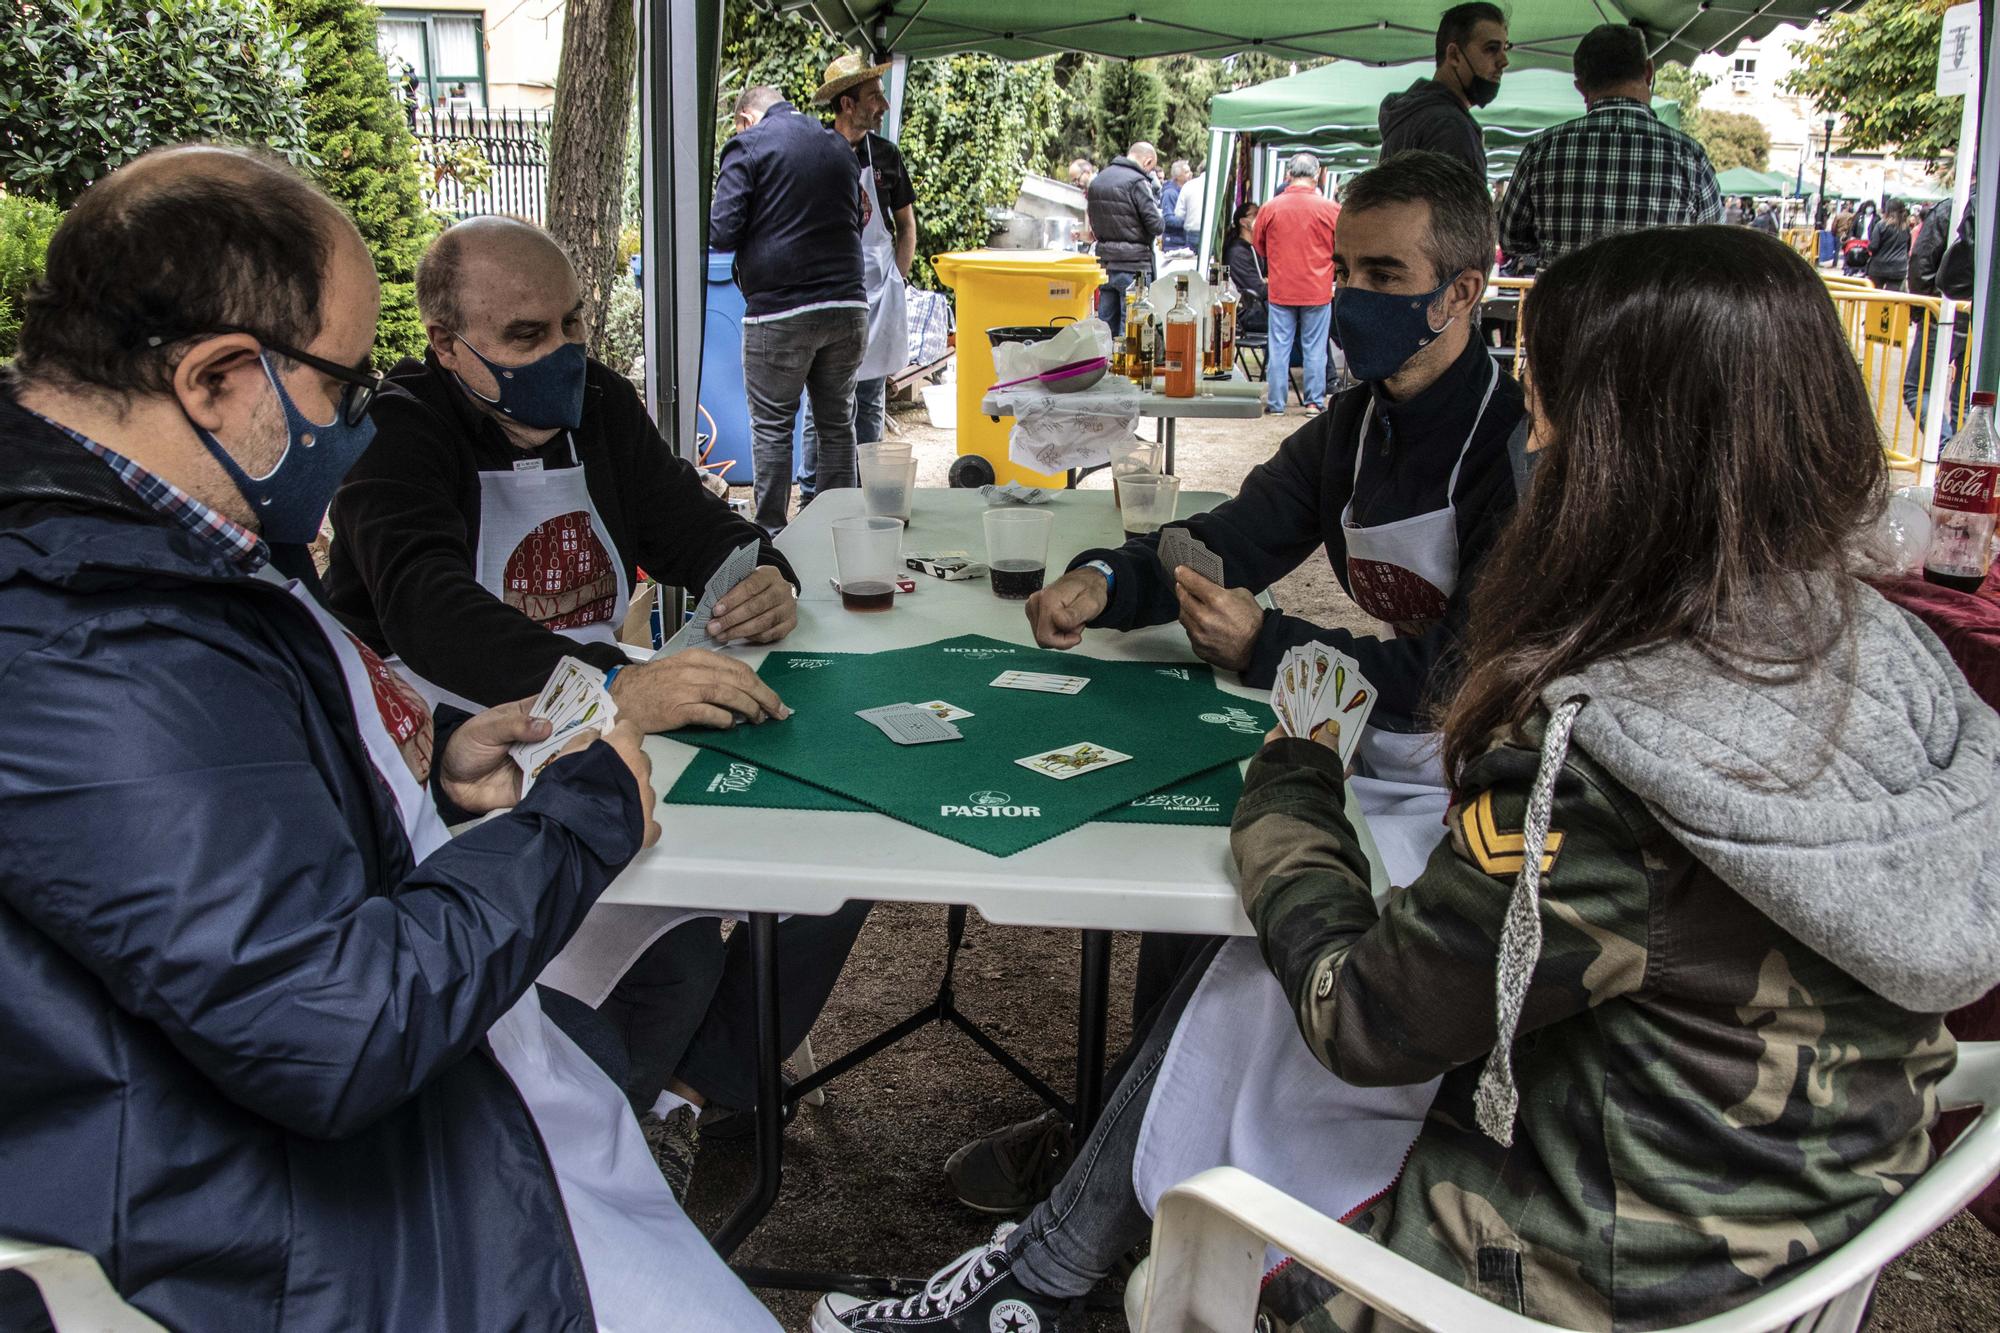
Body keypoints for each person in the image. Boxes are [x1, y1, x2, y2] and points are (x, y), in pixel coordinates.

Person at [814, 222, 2000, 1333]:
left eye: (1552, 415)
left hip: (1580, 1267)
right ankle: (1055, 1250)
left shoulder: (1599, 752)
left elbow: (1361, 1012)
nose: (1533, 445)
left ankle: (1049, 1268)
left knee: (1256, 981)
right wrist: (1128, 581)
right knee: (1246, 984)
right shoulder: (1895, 657)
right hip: (1800, 1223)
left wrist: (1288, 784)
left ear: (1636, 460)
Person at [0, 144, 781, 1332]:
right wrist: (583, 813)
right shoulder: (79, 637)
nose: (355, 421)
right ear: (217, 378)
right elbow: (331, 1026)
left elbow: (223, 841)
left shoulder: (146, 541)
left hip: (314, 1108)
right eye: (340, 386)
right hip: (291, 1221)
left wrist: (436, 763)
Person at [939, 153, 1525, 1218]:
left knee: (1250, 914)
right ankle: (1130, 1129)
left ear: (1460, 292)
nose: (1349, 297)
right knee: (1202, 864)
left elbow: (1463, 678)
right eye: (1342, 267)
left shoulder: (1511, 450)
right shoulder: (1354, 426)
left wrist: (1268, 644)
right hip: (1378, 741)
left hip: (1475, 781)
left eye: (1382, 275)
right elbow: (1229, 537)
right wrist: (1109, 580)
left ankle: (1120, 1179)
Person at [323, 214, 870, 1191]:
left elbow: (692, 523)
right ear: (446, 346)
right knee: (678, 941)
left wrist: (763, 572)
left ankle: (692, 1098)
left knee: (836, 846)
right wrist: (616, 684)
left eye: (573, 324)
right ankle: (612, 1128)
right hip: (458, 744)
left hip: (616, 707)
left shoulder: (600, 404)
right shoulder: (396, 431)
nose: (563, 352)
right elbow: (428, 609)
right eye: (525, 336)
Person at [709, 83, 866, 534]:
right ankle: (836, 528)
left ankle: (773, 533)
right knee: (837, 422)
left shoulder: (748, 145)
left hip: (780, 311)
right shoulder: (838, 145)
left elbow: (722, 230)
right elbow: (859, 215)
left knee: (774, 426)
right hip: (847, 306)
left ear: (745, 118)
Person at [1498, 25, 1721, 270]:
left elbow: (1511, 239)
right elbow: (1712, 248)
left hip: (1562, 304)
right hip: (1657, 307)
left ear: (1581, 87)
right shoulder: (1690, 156)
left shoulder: (1542, 150)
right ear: (1648, 72)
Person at [800, 54, 917, 482]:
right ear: (847, 104)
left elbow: (906, 226)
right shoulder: (813, 151)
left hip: (877, 293)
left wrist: (896, 280)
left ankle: (872, 491)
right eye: (874, 97)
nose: (882, 106)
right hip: (827, 295)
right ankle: (815, 492)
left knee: (869, 400)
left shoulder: (886, 156)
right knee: (823, 404)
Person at [1253, 152, 1342, 415]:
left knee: (1278, 347)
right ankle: (1314, 401)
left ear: (1288, 175)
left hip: (1282, 286)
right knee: (1315, 347)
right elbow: (1342, 247)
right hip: (1317, 287)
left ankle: (1277, 403)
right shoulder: (1331, 208)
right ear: (1317, 175)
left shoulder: (1270, 207)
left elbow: (1259, 245)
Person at [1379, 1, 1509, 179]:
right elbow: (1457, 207)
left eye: (1505, 48)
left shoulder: (1409, 114)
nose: (1504, 61)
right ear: (1454, 55)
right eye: (1491, 49)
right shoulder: (1449, 126)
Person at [1086, 141, 1163, 335]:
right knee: (1131, 333)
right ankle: (1128, 366)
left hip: (1106, 264)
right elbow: (1156, 225)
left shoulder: (1098, 180)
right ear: (1148, 161)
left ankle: (1106, 365)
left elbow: (1093, 225)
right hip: (1134, 266)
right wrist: (1154, 192)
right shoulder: (1138, 182)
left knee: (1105, 331)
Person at [1221, 198, 1268, 334]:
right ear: (1243, 222)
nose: (1260, 217)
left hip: (1260, 308)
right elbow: (1258, 289)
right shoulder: (1238, 253)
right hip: (1250, 314)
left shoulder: (1255, 248)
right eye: (1255, 214)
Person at [1869, 198, 1913, 289]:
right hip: (1899, 268)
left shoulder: (1881, 225)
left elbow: (1873, 246)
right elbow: (1908, 247)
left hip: (1879, 266)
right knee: (1892, 298)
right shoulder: (1906, 227)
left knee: (1875, 297)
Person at [1161, 158, 1192, 249]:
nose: (1190, 174)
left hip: (1182, 240)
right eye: (1186, 172)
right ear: (1177, 176)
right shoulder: (1170, 193)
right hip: (1173, 243)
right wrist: (1188, 221)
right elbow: (1168, 219)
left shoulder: (1185, 191)